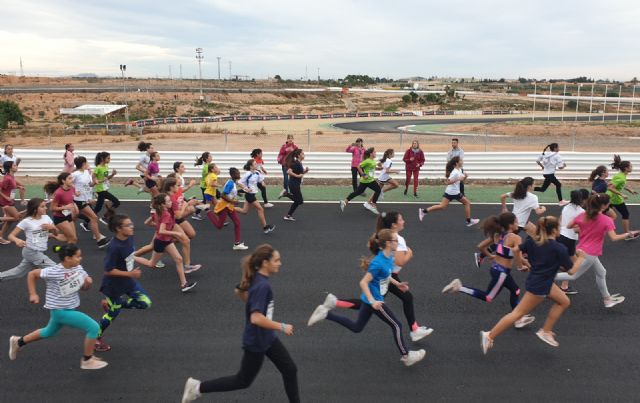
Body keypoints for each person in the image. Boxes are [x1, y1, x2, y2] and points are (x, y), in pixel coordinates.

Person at [181, 244, 299, 403]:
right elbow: (255, 318)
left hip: (267, 338)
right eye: (277, 260)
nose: (280, 263)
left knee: (290, 370)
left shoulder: (258, 278)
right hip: (257, 341)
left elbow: (241, 293)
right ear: (265, 262)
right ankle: (197, 388)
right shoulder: (262, 285)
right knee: (242, 381)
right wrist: (282, 326)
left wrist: (247, 298)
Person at [306, 229, 426, 367]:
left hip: (370, 300)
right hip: (375, 301)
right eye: (395, 240)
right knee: (396, 325)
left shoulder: (389, 257)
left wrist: (398, 284)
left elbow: (387, 275)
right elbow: (363, 282)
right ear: (388, 243)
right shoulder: (377, 262)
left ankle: (326, 314)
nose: (398, 243)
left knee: (357, 327)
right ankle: (406, 356)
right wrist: (373, 301)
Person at [310, 212, 434, 341]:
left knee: (369, 304)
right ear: (394, 224)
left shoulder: (381, 234)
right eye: (401, 219)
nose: (404, 221)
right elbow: (399, 261)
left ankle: (335, 302)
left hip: (383, 274)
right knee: (403, 298)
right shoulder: (397, 239)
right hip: (388, 275)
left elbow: (371, 245)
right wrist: (410, 253)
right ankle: (414, 331)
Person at [480, 217, 584, 354]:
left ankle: (545, 331)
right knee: (517, 313)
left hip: (542, 281)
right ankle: (489, 335)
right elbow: (571, 271)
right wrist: (581, 257)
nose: (560, 230)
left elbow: (516, 250)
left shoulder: (533, 242)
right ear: (553, 230)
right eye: (558, 227)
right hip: (540, 285)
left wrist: (520, 265)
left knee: (564, 301)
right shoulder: (559, 248)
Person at [8, 244, 108, 370]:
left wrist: (87, 283)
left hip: (68, 308)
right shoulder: (53, 271)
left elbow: (84, 288)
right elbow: (32, 274)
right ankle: (87, 360)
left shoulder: (78, 268)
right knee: (93, 327)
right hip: (60, 311)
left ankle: (18, 342)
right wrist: (33, 294)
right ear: (67, 258)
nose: (80, 259)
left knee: (48, 332)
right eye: (77, 257)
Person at [442, 213, 536, 329]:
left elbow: (481, 246)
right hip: (502, 273)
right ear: (511, 225)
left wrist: (491, 256)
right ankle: (459, 287)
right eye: (516, 222)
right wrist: (521, 267)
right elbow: (517, 253)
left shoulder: (497, 235)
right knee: (488, 297)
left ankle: (518, 319)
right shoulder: (516, 238)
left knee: (515, 290)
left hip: (496, 270)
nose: (518, 224)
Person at [554, 193, 638, 308]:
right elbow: (614, 238)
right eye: (608, 204)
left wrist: (584, 228)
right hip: (590, 253)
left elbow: (569, 226)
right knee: (573, 276)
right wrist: (629, 234)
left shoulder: (582, 215)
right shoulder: (606, 220)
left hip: (581, 248)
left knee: (601, 272)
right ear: (604, 206)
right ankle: (544, 276)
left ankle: (607, 299)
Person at [93, 214, 153, 352]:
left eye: (131, 224)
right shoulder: (114, 247)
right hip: (113, 286)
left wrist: (147, 262)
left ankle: (113, 304)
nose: (132, 227)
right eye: (128, 225)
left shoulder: (129, 237)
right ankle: (96, 337)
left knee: (145, 303)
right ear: (119, 229)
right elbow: (108, 270)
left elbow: (130, 256)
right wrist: (130, 274)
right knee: (113, 314)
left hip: (128, 282)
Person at [146, 193, 197, 293]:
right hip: (160, 241)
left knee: (179, 259)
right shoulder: (166, 214)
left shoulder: (159, 212)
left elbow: (147, 222)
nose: (171, 203)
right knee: (151, 263)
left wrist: (157, 225)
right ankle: (132, 257)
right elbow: (161, 231)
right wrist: (176, 232)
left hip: (166, 241)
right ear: (163, 205)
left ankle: (184, 285)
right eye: (169, 201)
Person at [1, 198, 57, 281]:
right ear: (35, 209)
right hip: (31, 251)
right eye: (42, 206)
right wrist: (17, 240)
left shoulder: (47, 218)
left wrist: (52, 228)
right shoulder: (27, 221)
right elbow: (11, 236)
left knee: (19, 272)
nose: (46, 208)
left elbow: (56, 233)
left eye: (45, 206)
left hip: (41, 250)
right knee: (56, 269)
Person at [418, 156, 479, 227]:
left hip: (450, 192)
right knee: (467, 203)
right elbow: (448, 182)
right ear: (457, 163)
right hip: (454, 193)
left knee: (442, 206)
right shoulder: (455, 172)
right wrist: (458, 179)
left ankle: (424, 211)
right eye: (461, 161)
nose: (462, 162)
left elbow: (461, 180)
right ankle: (468, 221)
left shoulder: (459, 170)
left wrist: (465, 177)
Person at [71, 156, 111, 248]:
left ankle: (67, 227)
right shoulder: (75, 174)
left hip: (85, 199)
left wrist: (95, 184)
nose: (88, 164)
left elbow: (89, 185)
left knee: (75, 217)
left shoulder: (86, 172)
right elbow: (67, 184)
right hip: (78, 200)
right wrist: (74, 191)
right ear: (83, 164)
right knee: (93, 217)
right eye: (87, 162)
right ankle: (99, 239)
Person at [556, 189, 590, 294]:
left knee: (572, 263)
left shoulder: (566, 207)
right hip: (569, 239)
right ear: (583, 199)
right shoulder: (581, 212)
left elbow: (560, 220)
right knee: (573, 265)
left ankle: (562, 282)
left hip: (560, 235)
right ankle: (564, 286)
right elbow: (580, 228)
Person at [206, 168, 248, 251]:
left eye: (239, 173)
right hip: (224, 206)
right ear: (233, 175)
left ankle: (237, 244)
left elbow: (230, 193)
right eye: (237, 173)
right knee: (219, 226)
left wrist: (237, 194)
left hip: (229, 206)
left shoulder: (233, 182)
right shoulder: (230, 184)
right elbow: (223, 195)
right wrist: (233, 201)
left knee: (237, 223)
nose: (239, 175)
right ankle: (207, 210)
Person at [339, 147, 381, 215]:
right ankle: (373, 205)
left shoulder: (373, 161)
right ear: (371, 154)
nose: (376, 153)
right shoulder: (367, 161)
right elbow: (358, 166)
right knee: (378, 189)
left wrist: (379, 168)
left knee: (357, 192)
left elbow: (373, 167)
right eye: (374, 152)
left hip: (366, 181)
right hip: (368, 180)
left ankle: (344, 202)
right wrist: (363, 174)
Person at [239, 159, 276, 234]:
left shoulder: (257, 173)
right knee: (260, 209)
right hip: (250, 195)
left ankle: (228, 208)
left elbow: (260, 180)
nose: (256, 165)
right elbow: (239, 182)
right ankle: (265, 227)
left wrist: (262, 183)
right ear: (251, 166)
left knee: (244, 211)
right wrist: (246, 188)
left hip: (252, 194)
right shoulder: (247, 174)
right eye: (255, 164)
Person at [44, 173, 79, 245]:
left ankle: (52, 235)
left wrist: (75, 206)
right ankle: (68, 255)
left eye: (72, 178)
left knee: (71, 238)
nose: (72, 180)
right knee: (73, 238)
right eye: (69, 178)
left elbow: (70, 199)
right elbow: (52, 208)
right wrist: (65, 207)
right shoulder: (59, 193)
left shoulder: (72, 188)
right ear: (63, 181)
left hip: (68, 216)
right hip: (60, 218)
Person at [607, 155, 637, 233]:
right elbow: (610, 187)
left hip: (610, 197)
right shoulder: (621, 177)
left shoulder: (621, 175)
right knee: (625, 214)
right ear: (626, 168)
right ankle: (627, 233)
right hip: (615, 199)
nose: (632, 168)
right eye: (631, 166)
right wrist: (622, 194)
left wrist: (630, 190)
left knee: (603, 213)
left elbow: (620, 185)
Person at [0, 161, 26, 244]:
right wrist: (6, 197)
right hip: (5, 202)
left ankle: (0, 237)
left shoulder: (11, 176)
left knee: (10, 221)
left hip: (10, 201)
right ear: (10, 167)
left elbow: (10, 187)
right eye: (14, 165)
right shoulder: (7, 178)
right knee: (16, 218)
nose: (16, 166)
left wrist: (19, 187)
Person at [92, 152, 121, 220]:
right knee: (116, 202)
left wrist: (113, 174)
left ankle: (86, 222)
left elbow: (106, 178)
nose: (109, 159)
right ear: (102, 158)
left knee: (98, 208)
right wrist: (96, 181)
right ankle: (105, 216)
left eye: (109, 158)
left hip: (105, 188)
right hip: (100, 189)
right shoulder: (98, 168)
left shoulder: (106, 167)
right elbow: (93, 177)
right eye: (108, 158)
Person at [282, 149, 308, 221]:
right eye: (302, 153)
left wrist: (305, 171)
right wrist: (297, 176)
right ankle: (286, 194)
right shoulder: (296, 163)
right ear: (299, 155)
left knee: (297, 201)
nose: (304, 155)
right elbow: (288, 172)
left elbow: (300, 173)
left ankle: (288, 215)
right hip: (293, 184)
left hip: (295, 184)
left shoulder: (299, 163)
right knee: (300, 201)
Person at [193, 151, 213, 220]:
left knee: (206, 201)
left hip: (206, 186)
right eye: (210, 156)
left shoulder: (208, 166)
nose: (212, 157)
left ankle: (196, 212)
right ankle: (214, 216)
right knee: (206, 201)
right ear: (207, 159)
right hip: (205, 186)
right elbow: (210, 176)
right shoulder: (206, 167)